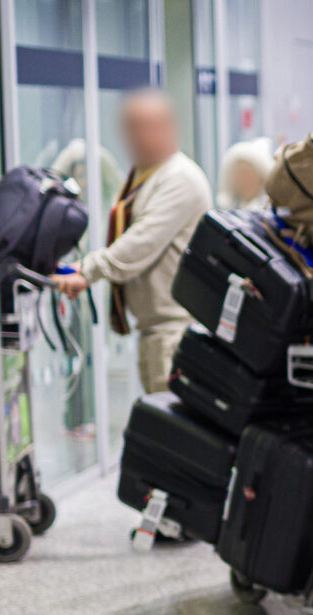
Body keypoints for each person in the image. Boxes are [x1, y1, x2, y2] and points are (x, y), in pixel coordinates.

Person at [53, 89, 212, 393]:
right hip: (153, 331)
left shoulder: (180, 178)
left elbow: (142, 242)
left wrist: (87, 271)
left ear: (169, 128)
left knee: (171, 430)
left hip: (174, 332)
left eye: (149, 127)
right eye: (133, 128)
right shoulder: (144, 174)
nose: (139, 137)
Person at [215, 138, 274, 210]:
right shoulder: (227, 210)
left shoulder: (269, 212)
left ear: (261, 178)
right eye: (238, 175)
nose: (243, 181)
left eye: (248, 175)